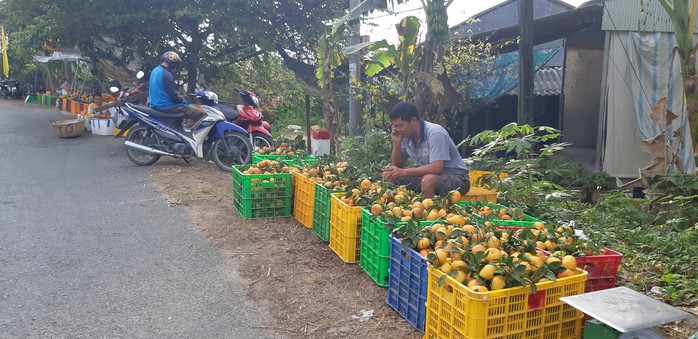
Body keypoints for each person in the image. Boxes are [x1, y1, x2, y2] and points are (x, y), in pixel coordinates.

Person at [381, 101, 470, 198]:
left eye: (400, 126)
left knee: (427, 180)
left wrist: (403, 172)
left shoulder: (435, 133)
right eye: (395, 126)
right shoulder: (406, 136)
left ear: (413, 121)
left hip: (457, 179)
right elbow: (397, 165)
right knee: (389, 174)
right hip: (429, 176)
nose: (397, 130)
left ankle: (428, 211)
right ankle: (401, 208)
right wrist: (397, 143)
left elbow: (436, 168)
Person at [148, 51, 206, 131]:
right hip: (166, 105)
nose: (175, 68)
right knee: (201, 114)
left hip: (155, 104)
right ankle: (191, 135)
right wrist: (181, 99)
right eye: (175, 66)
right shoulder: (167, 74)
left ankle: (180, 128)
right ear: (172, 64)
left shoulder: (155, 71)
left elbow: (162, 91)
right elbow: (173, 96)